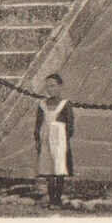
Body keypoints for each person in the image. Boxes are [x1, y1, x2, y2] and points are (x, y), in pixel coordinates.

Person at [34, 73, 74, 209]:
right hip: (45, 139)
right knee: (48, 170)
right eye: (47, 87)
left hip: (59, 141)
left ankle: (58, 198)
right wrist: (38, 140)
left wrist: (64, 140)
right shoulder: (42, 104)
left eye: (53, 86)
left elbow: (70, 126)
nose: (50, 89)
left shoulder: (65, 105)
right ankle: (52, 199)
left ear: (60, 87)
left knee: (59, 169)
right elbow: (38, 124)